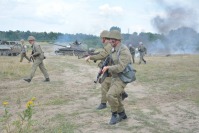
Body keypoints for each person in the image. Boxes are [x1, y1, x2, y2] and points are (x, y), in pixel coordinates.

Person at [85, 30, 128, 110]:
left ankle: (105, 103)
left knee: (106, 85)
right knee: (106, 85)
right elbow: (104, 55)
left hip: (111, 70)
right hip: (109, 69)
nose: (101, 40)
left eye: (102, 38)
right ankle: (114, 98)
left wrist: (91, 57)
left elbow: (102, 54)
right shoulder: (109, 46)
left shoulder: (109, 46)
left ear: (104, 38)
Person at [102, 30, 132, 125]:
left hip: (123, 77)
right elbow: (111, 60)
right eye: (110, 39)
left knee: (110, 95)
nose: (110, 42)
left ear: (118, 40)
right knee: (117, 96)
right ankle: (122, 114)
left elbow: (120, 67)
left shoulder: (124, 50)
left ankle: (114, 115)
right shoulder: (113, 49)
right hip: (115, 76)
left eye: (112, 40)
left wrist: (108, 68)